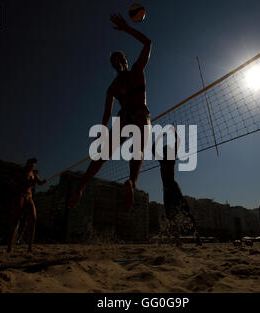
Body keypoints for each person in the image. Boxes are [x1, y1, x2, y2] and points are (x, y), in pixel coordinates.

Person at [68, 13, 152, 212]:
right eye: (116, 62)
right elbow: (106, 114)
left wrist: (127, 28)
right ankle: (130, 182)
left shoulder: (130, 75)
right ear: (118, 64)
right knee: (128, 149)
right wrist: (103, 130)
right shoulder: (122, 81)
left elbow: (148, 43)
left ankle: (84, 187)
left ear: (122, 61)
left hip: (134, 114)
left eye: (118, 60)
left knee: (126, 150)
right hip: (134, 115)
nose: (118, 63)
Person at [153, 127, 202, 247]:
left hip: (172, 187)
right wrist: (166, 135)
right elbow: (155, 148)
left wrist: (163, 135)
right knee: (171, 215)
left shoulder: (168, 158)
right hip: (168, 189)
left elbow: (175, 142)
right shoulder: (163, 159)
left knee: (183, 211)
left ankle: (196, 238)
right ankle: (178, 240)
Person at [7, 158, 47, 253]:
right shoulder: (21, 172)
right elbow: (10, 180)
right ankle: (9, 246)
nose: (32, 165)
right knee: (16, 219)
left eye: (34, 164)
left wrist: (43, 182)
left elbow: (39, 183)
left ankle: (30, 247)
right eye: (31, 163)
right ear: (28, 163)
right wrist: (18, 185)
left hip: (29, 197)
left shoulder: (34, 174)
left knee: (33, 219)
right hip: (20, 195)